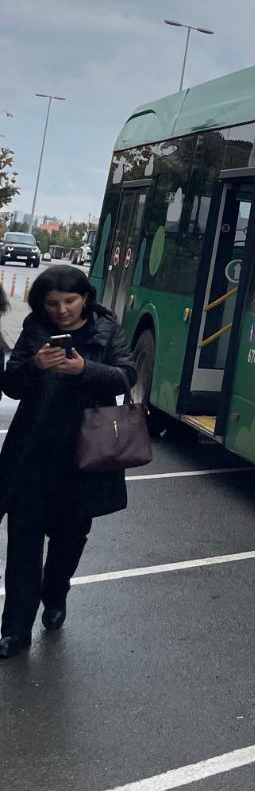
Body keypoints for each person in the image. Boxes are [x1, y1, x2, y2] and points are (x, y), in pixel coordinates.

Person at [0, 265, 136, 658]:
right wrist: (34, 367)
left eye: (70, 301)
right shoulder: (34, 328)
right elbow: (10, 384)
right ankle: (15, 631)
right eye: (52, 303)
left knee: (69, 539)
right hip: (33, 454)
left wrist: (84, 370)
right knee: (23, 545)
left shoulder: (106, 329)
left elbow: (126, 375)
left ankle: (56, 589)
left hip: (85, 457)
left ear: (86, 299)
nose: (61, 310)